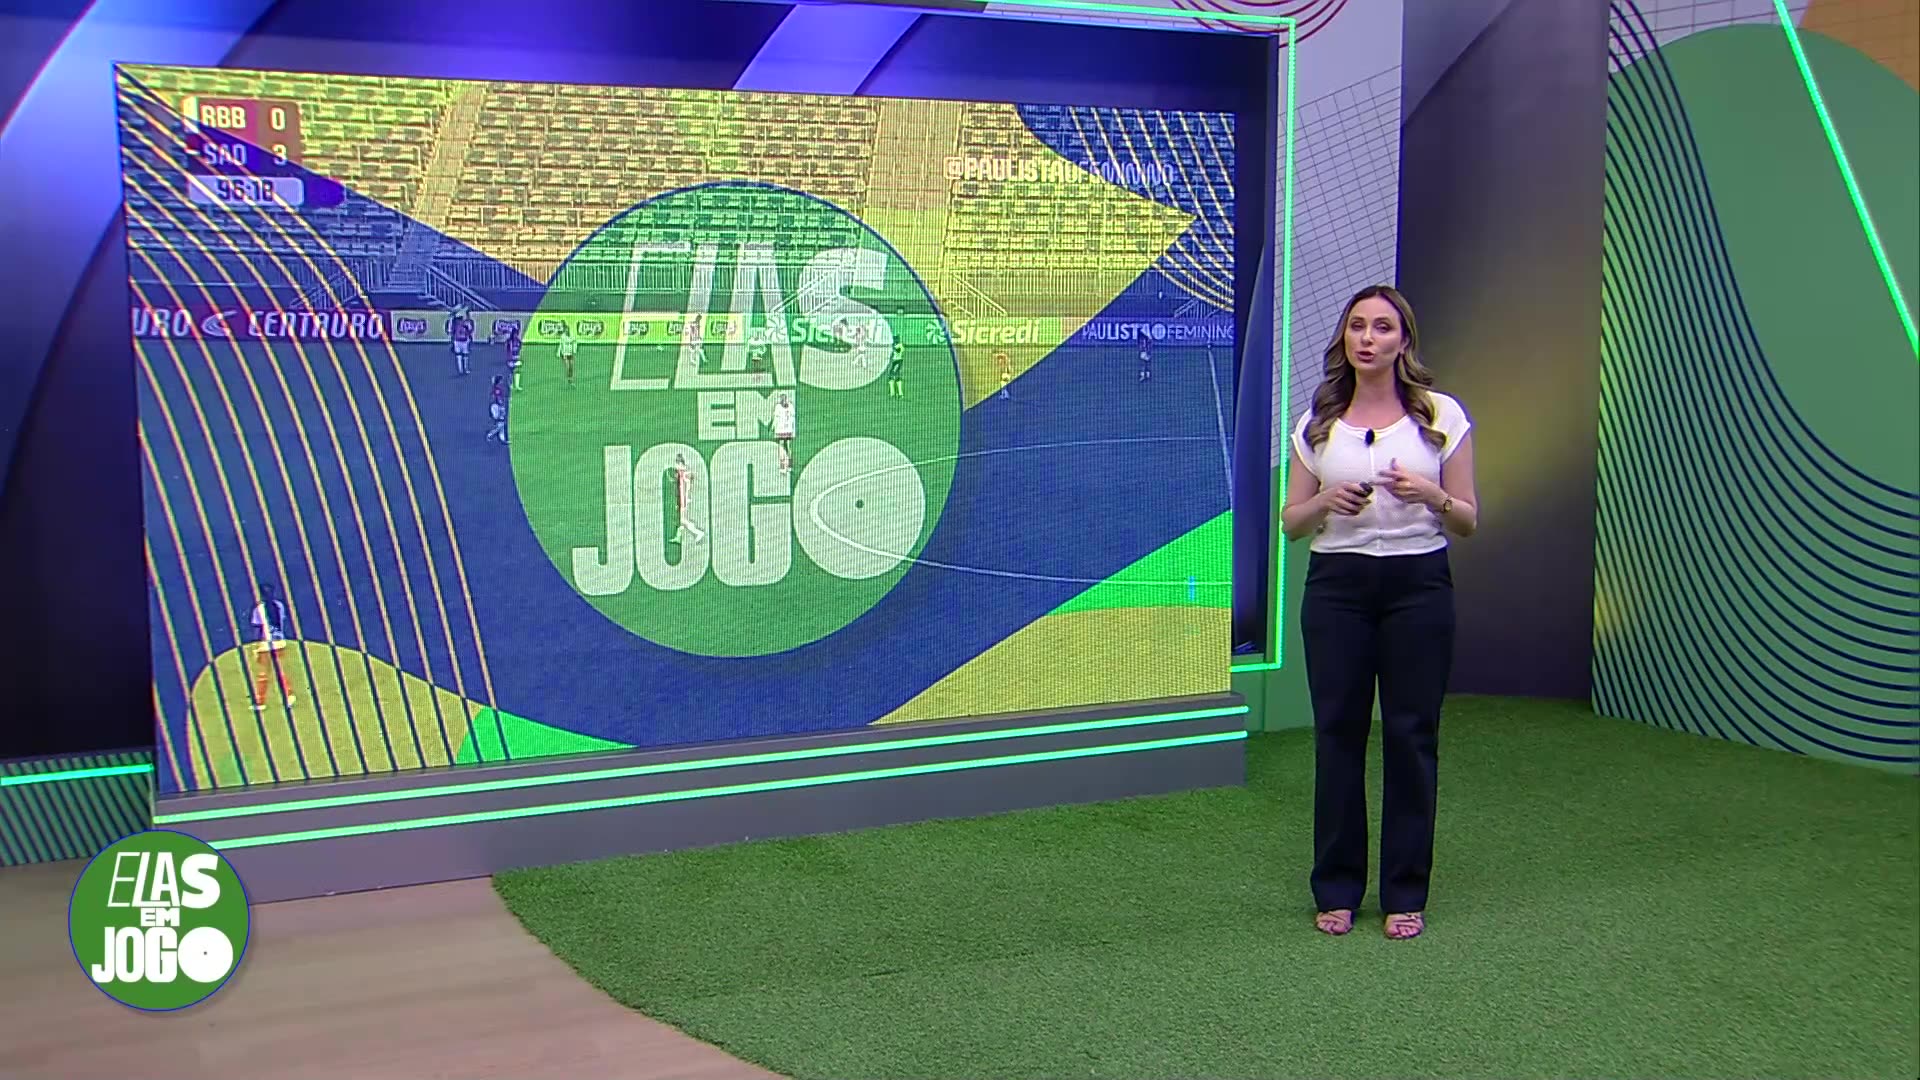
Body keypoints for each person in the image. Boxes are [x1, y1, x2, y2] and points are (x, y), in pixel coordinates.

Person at [1279, 284, 1478, 942]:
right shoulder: (1318, 422)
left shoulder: (1441, 416)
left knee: (1411, 736)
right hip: (1338, 588)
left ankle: (1404, 893)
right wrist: (1325, 501)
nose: (1368, 338)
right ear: (1344, 338)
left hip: (1419, 585)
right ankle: (1337, 888)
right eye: (1358, 326)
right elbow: (1291, 524)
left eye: (1383, 327)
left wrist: (1429, 493)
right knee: (1338, 735)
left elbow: (1468, 519)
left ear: (1403, 340)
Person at [248, 582, 295, 712]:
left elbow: (257, 629)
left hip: (266, 645)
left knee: (263, 673)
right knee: (280, 671)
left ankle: (260, 702)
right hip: (279, 643)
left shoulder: (259, 609)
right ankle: (289, 696)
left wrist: (256, 646)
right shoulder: (279, 606)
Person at [670, 452, 707, 545]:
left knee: (683, 520)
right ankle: (678, 537)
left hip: (684, 499)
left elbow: (687, 482)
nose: (675, 465)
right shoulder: (681, 473)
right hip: (682, 498)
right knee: (681, 520)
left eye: (677, 463)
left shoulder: (684, 473)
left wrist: (686, 497)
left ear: (681, 463)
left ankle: (699, 533)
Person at [772, 391, 796, 473]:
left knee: (784, 447)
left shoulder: (779, 407)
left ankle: (785, 466)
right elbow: (792, 419)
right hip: (785, 430)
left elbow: (776, 419)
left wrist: (774, 428)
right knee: (786, 447)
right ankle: (787, 465)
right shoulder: (789, 407)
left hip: (783, 430)